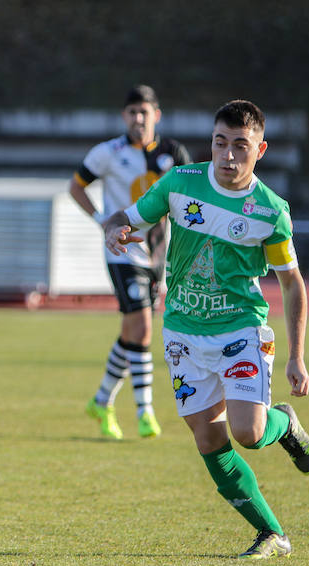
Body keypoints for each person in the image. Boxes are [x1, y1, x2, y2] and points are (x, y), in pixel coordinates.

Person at [103, 99, 309, 559]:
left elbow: (292, 284)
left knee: (248, 432)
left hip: (241, 330)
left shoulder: (270, 211)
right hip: (182, 332)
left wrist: (297, 356)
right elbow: (127, 218)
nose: (228, 155)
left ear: (260, 150)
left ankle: (284, 423)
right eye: (221, 143)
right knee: (209, 439)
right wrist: (113, 230)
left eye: (241, 145)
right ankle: (272, 534)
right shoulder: (180, 183)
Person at [69, 85, 191, 439]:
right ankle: (145, 412)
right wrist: (103, 221)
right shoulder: (108, 152)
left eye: (145, 112)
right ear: (124, 116)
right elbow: (76, 187)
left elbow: (190, 198)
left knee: (131, 332)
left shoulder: (174, 153)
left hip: (158, 253)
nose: (139, 118)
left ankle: (102, 401)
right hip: (121, 252)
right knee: (144, 329)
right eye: (133, 112)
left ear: (157, 115)